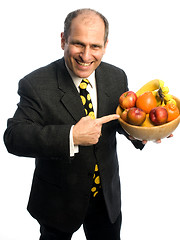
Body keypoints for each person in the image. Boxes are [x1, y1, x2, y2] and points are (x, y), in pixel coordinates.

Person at [4, 8, 163, 240]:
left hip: (106, 199)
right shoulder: (35, 84)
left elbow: (119, 121)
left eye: (95, 46)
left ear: (105, 45)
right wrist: (71, 137)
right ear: (63, 40)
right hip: (58, 203)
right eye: (78, 44)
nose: (86, 56)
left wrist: (141, 133)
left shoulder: (116, 77)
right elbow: (14, 137)